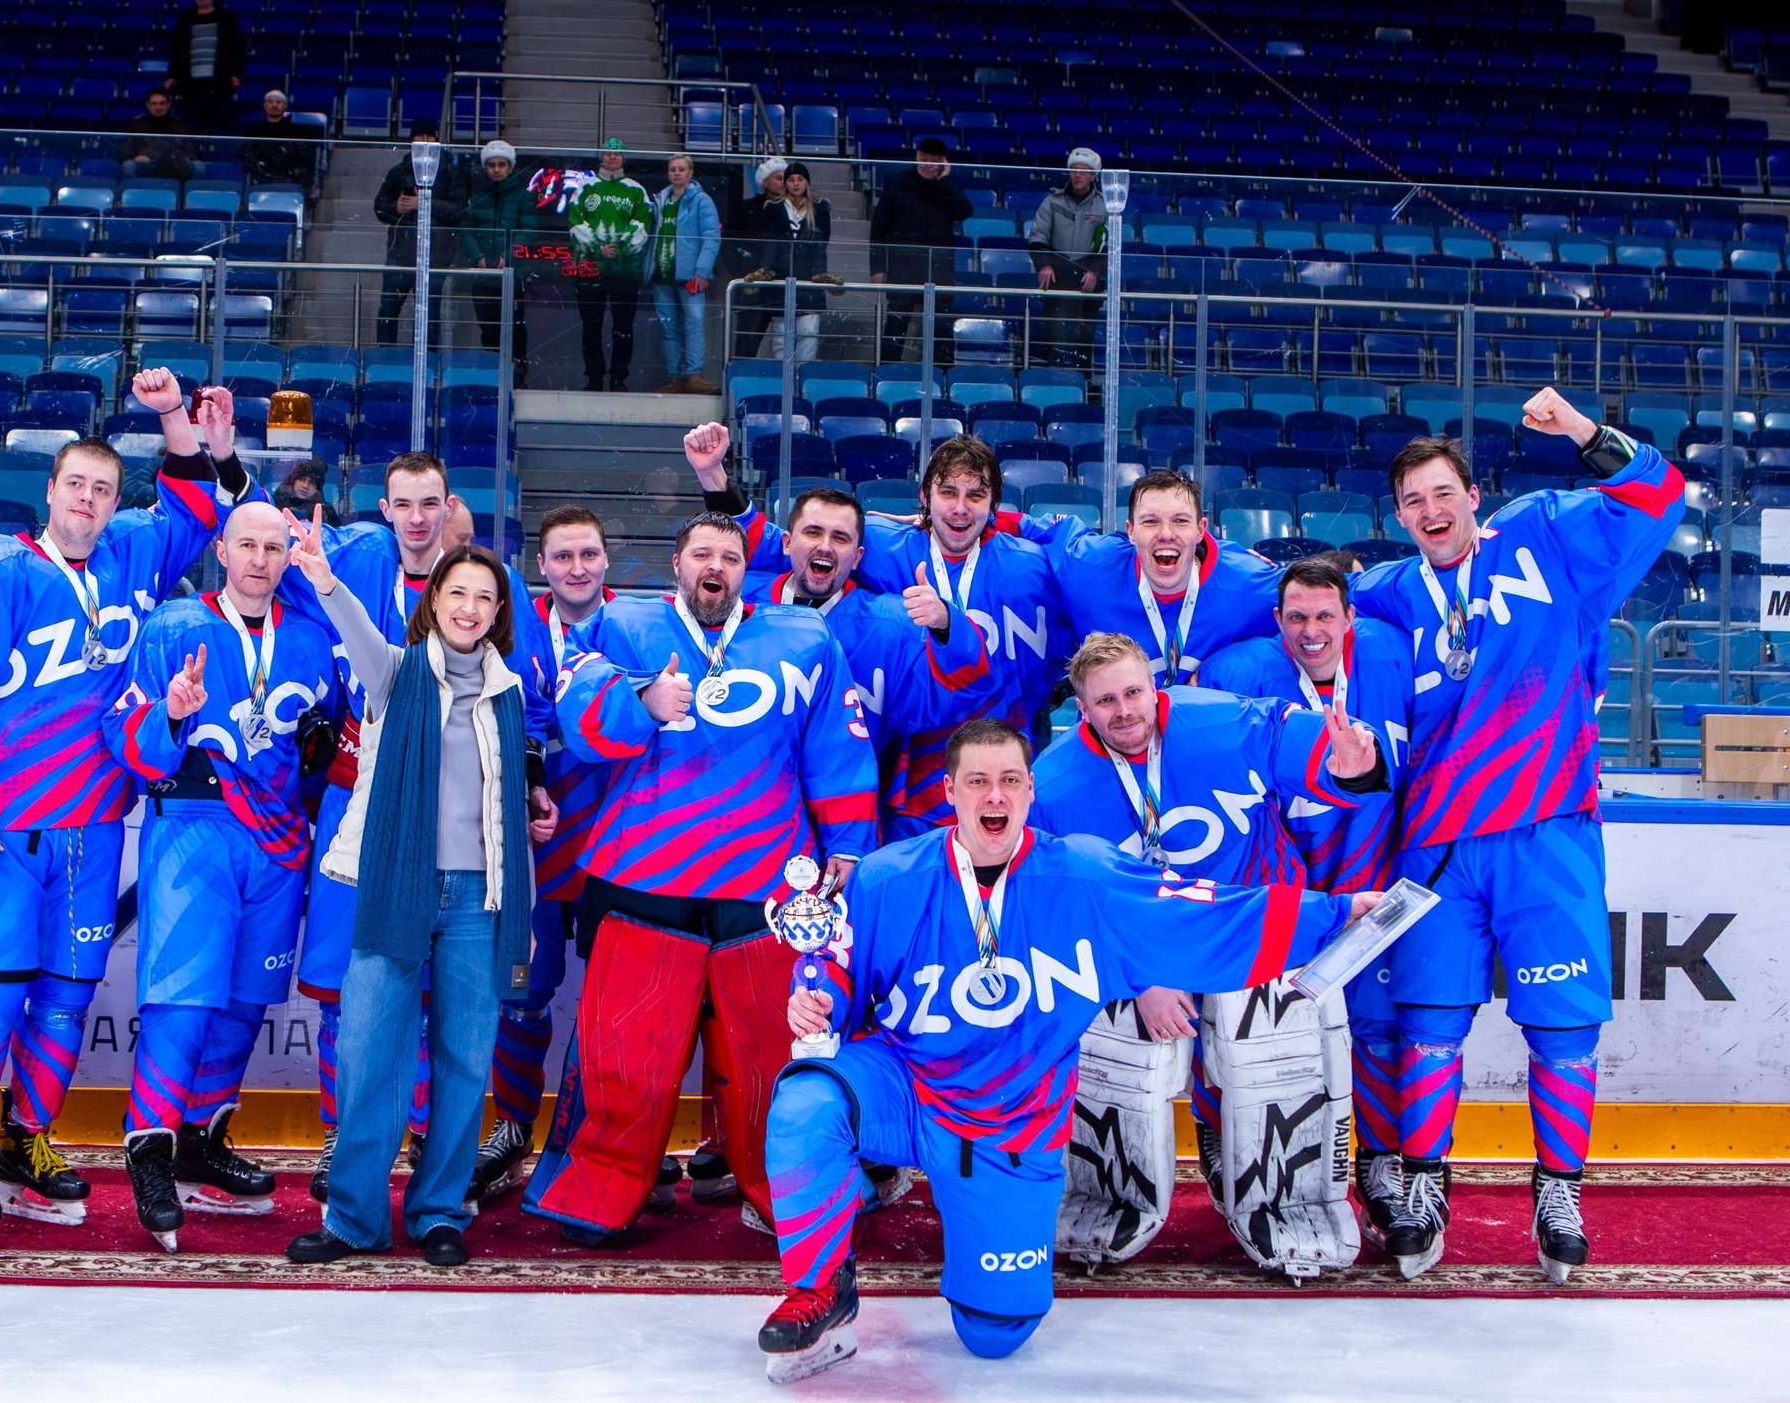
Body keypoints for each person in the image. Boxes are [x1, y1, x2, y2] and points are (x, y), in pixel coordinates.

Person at [758, 717, 1385, 1381]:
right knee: (807, 1099)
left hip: (1008, 1122)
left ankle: (980, 1261)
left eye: (1009, 781)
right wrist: (817, 999)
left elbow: (1202, 912)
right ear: (949, 791)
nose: (994, 796)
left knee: (995, 1334)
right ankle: (820, 1287)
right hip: (907, 1086)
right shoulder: (889, 877)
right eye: (977, 781)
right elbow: (837, 963)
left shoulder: (1087, 874)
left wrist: (1333, 915)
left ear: (1031, 790)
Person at [0, 376, 250, 1249]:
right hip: (4, 825)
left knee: (64, 1000)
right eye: (76, 487)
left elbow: (195, 502)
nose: (89, 502)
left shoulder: (132, 554)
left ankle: (27, 1140)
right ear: (49, 492)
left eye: (103, 489)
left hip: (93, 827)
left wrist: (172, 416)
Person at [1349, 389, 1685, 1284]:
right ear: (1399, 517)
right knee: (1427, 1025)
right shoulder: (1385, 595)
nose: (1431, 511)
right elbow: (1294, 602)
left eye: (1443, 493)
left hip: (1549, 830)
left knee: (1564, 1029)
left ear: (1473, 497)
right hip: (1436, 849)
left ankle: (1558, 1193)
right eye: (1413, 501)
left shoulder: (1544, 535)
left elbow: (1660, 496)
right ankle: (1425, 1186)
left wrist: (1580, 430)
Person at [522, 512, 877, 1243]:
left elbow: (836, 744)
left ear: (748, 569)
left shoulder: (804, 636)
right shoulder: (622, 624)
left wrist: (846, 840)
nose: (716, 566)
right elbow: (578, 724)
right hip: (643, 874)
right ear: (677, 563)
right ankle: (599, 1186)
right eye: (702, 553)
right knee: (625, 1050)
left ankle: (787, 1189)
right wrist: (641, 704)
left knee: (768, 1052)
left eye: (731, 556)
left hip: (767, 880)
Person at [1028, 630, 1387, 1276]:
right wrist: (1140, 981)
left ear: (1154, 688)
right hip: (1146, 947)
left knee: (1276, 1053)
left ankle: (1289, 1200)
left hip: (1255, 920)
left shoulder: (1222, 720)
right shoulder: (1052, 787)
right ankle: (1108, 1195)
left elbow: (1301, 746)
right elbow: (1064, 909)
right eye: (1105, 701)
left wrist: (1350, 765)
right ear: (1081, 709)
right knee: (1112, 1044)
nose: (1124, 711)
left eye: (1133, 693)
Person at [285, 535, 560, 1268]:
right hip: (398, 884)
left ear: (499, 613)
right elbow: (355, 630)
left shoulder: (509, 694)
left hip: (480, 898)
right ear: (432, 600)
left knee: (465, 1059)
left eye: (484, 597)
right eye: (457, 592)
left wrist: (522, 907)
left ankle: (439, 1210)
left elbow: (507, 813)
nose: (469, 607)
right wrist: (324, 580)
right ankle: (353, 1218)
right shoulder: (395, 672)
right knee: (370, 1051)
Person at [102, 502, 347, 1249]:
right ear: (222, 548)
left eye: (275, 547)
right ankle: (150, 1149)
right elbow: (128, 744)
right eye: (247, 544)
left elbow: (325, 750)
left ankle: (201, 1136)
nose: (261, 560)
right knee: (182, 999)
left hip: (281, 839)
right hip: (196, 827)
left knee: (244, 1001)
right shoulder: (174, 626)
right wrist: (173, 717)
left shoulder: (311, 636)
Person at [1197, 552, 1418, 1230]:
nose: (1311, 631)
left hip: (1368, 882)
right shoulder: (1236, 673)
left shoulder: (1391, 656)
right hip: (1279, 890)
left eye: (1325, 616)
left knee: (1376, 1029)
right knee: (1245, 1033)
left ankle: (1380, 1165)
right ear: (1277, 620)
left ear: (1351, 618)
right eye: (1296, 617)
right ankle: (1232, 1149)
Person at [279, 453, 481, 1196]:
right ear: (385, 509)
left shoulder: (480, 592)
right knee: (342, 990)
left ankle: (427, 1141)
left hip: (442, 814)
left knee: (432, 994)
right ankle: (342, 1136)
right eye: (404, 504)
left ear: (448, 506)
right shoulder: (352, 574)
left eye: (431, 503)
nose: (418, 518)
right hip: (351, 805)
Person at [722, 432, 1066, 836]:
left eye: (975, 496)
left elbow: (1086, 567)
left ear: (993, 505)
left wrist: (1017, 523)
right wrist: (714, 478)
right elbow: (784, 547)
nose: (959, 508)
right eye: (947, 493)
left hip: (1004, 763)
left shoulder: (1033, 564)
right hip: (912, 782)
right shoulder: (879, 543)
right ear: (924, 496)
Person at [471, 504, 616, 1200]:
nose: (576, 568)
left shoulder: (640, 626)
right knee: (522, 994)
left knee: (617, 1006)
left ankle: (613, 1143)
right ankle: (512, 1127)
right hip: (535, 839)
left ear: (607, 559)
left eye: (588, 555)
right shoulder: (511, 626)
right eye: (562, 556)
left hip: (620, 847)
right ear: (541, 565)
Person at [1025, 468, 1282, 689]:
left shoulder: (1248, 583)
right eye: (1150, 521)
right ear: (1131, 531)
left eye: (1180, 521)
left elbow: (1304, 626)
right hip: (1110, 729)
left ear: (1200, 530)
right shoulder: (1089, 565)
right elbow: (1021, 525)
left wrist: (1229, 666)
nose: (1166, 534)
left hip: (1204, 729)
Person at [867, 137, 969, 366]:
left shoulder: (947, 186)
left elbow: (964, 212)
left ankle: (943, 375)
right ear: (916, 156)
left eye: (933, 161)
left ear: (943, 163)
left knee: (941, 324)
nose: (927, 165)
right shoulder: (897, 183)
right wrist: (878, 267)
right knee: (896, 321)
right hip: (903, 268)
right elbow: (879, 230)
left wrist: (945, 179)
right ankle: (887, 371)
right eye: (924, 159)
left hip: (939, 270)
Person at [373, 117, 469, 347]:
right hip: (400, 255)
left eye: (429, 138)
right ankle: (384, 358)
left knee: (430, 315)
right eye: (420, 139)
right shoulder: (399, 171)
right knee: (388, 310)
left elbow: (460, 211)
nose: (425, 143)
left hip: (436, 256)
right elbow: (380, 207)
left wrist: (425, 203)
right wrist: (396, 208)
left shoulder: (451, 172)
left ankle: (428, 361)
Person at [456, 139, 539, 385]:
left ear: (510, 167)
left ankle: (518, 373)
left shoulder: (523, 197)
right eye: (491, 165)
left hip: (512, 274)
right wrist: (478, 258)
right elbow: (466, 232)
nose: (496, 169)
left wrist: (507, 257)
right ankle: (493, 372)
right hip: (483, 275)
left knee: (515, 325)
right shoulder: (476, 197)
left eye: (501, 164)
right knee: (488, 327)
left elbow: (529, 231)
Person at [569, 137, 649, 391]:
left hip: (625, 272)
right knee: (591, 326)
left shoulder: (636, 190)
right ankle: (594, 378)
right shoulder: (585, 187)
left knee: (623, 328)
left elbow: (642, 226)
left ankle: (618, 379)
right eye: (607, 153)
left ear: (624, 158)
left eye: (617, 154)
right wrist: (597, 249)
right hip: (589, 269)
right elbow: (575, 222)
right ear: (600, 157)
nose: (612, 157)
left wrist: (619, 249)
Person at [1025, 147, 1108, 367]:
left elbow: (1110, 247)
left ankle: (1083, 380)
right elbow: (1037, 237)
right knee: (1055, 335)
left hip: (1088, 282)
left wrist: (1095, 272)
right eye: (1074, 170)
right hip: (1057, 277)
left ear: (1093, 176)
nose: (1077, 175)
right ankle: (1054, 379)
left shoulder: (1105, 206)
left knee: (1084, 339)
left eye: (1083, 171)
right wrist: (1044, 265)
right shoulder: (1052, 201)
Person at [647, 153, 721, 396]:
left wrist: (702, 271)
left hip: (690, 276)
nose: (676, 173)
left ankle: (695, 375)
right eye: (673, 169)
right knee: (668, 327)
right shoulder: (661, 199)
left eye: (681, 169)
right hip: (662, 273)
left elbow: (711, 238)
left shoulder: (702, 200)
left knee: (694, 324)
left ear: (690, 173)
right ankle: (676, 378)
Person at [760, 161, 834, 365]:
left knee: (809, 331)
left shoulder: (819, 209)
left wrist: (818, 273)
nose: (795, 184)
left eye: (800, 179)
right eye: (791, 180)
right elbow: (770, 245)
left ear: (806, 182)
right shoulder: (773, 209)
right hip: (781, 277)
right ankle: (783, 377)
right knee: (781, 335)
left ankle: (802, 374)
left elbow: (822, 244)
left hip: (810, 279)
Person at [726, 157, 792, 362]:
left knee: (786, 345)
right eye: (779, 178)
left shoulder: (795, 209)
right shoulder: (748, 208)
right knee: (746, 342)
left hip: (783, 284)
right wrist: (742, 271)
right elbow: (729, 244)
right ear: (765, 182)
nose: (783, 183)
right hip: (753, 287)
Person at [165, 0, 248, 134]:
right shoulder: (185, 19)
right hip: (192, 83)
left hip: (220, 82)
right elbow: (176, 50)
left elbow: (238, 48)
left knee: (221, 124)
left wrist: (237, 74)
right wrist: (172, 76)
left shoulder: (226, 17)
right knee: (193, 125)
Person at [240, 87, 317, 192]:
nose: (274, 105)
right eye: (270, 102)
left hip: (289, 179)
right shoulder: (255, 129)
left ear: (284, 106)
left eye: (278, 102)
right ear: (265, 105)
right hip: (262, 179)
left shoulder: (299, 131)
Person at [119, 88, 194, 182]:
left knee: (199, 166)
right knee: (129, 165)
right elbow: (124, 148)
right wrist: (135, 157)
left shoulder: (179, 125)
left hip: (175, 165)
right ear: (148, 105)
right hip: (147, 164)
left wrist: (184, 158)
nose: (158, 107)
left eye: (162, 103)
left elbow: (191, 149)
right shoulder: (136, 124)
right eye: (154, 103)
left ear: (168, 104)